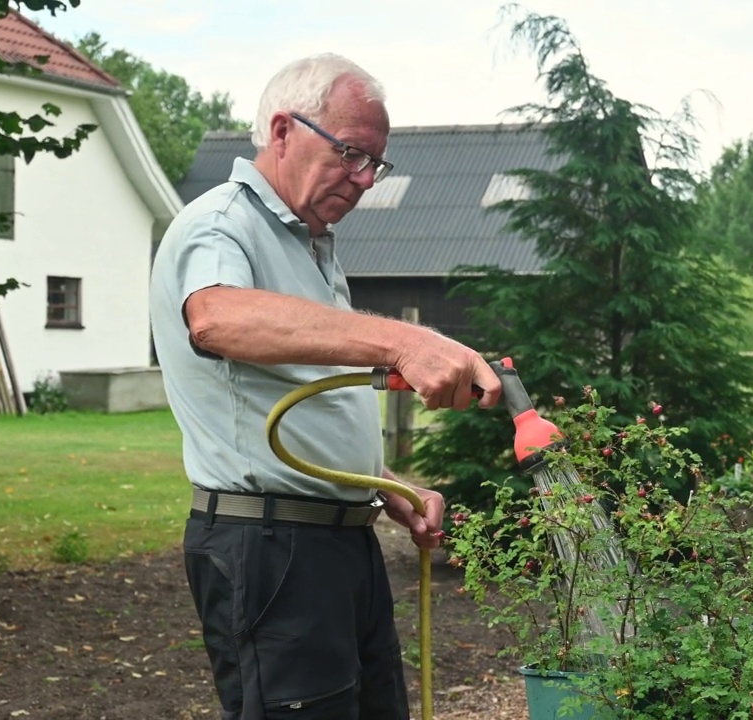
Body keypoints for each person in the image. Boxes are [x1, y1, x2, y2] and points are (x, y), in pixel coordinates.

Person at [149, 53, 502, 720]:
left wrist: (382, 482)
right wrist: (406, 339)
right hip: (273, 550)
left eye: (376, 163)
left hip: (336, 542)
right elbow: (216, 317)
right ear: (282, 131)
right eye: (350, 153)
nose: (365, 179)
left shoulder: (310, 245)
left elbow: (296, 395)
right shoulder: (222, 224)